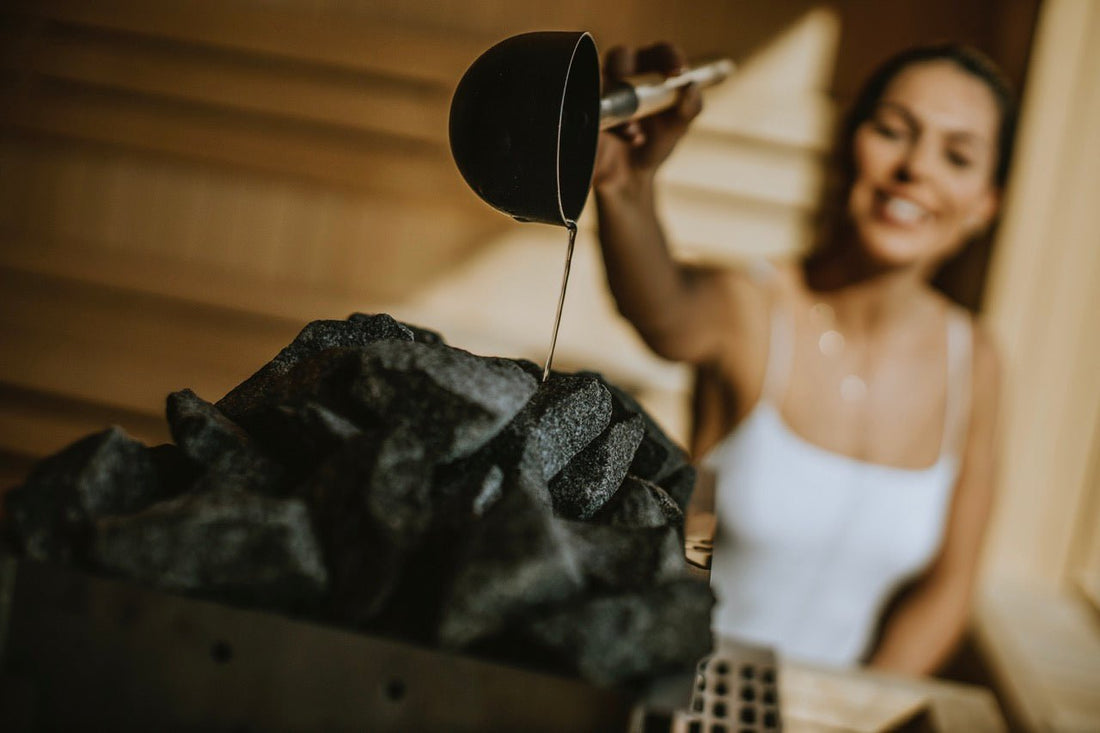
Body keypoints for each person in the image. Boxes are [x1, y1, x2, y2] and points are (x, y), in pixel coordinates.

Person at [592, 42, 1015, 675]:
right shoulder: (753, 306)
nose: (916, 168)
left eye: (957, 156)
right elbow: (662, 310)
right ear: (850, 145)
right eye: (894, 131)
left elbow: (948, 590)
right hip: (681, 690)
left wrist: (859, 714)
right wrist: (624, 184)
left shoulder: (975, 361)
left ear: (986, 202)